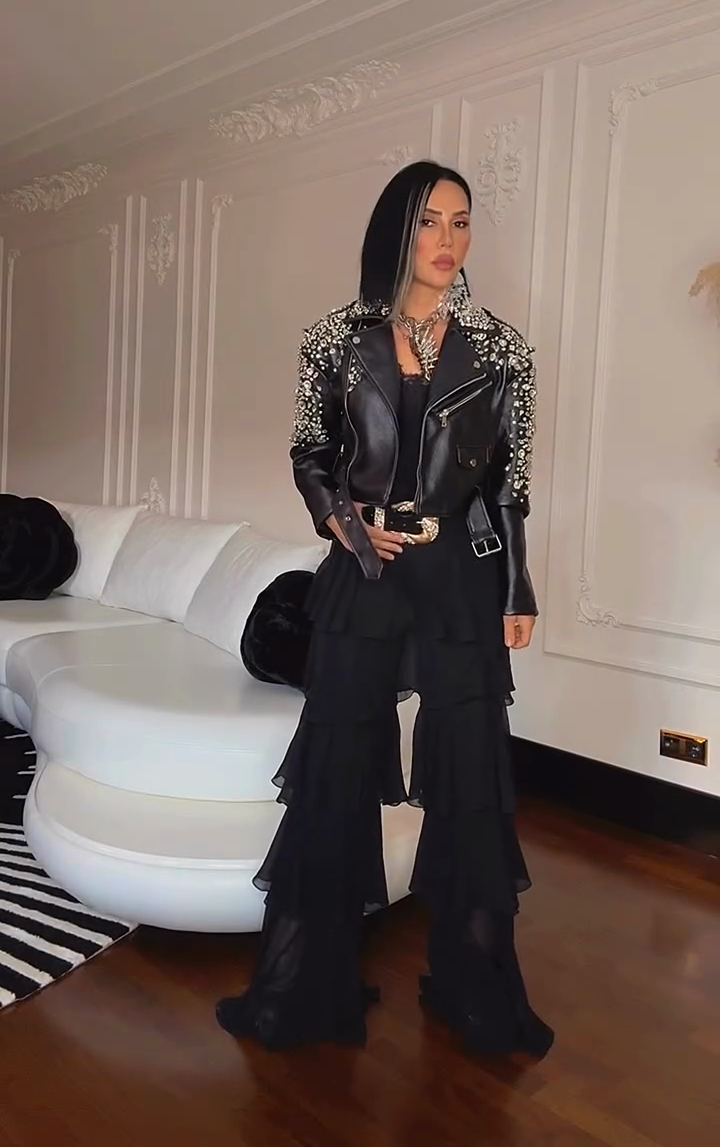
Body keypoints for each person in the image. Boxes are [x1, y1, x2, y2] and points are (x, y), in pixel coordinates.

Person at [216, 160, 553, 1057]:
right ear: (397, 231)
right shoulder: (335, 338)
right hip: (363, 573)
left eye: (462, 222)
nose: (449, 240)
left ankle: (475, 989)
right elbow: (309, 454)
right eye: (431, 221)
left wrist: (517, 586)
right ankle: (306, 983)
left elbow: (509, 484)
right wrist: (347, 523)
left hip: (461, 582)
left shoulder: (504, 350)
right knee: (335, 769)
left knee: (471, 775)